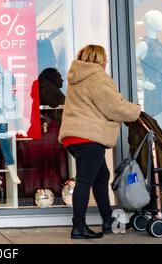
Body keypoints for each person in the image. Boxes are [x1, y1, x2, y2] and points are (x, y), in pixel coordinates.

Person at [59, 45, 141, 239]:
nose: (107, 62)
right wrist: (135, 110)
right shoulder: (97, 76)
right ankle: (78, 227)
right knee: (85, 181)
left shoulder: (76, 77)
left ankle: (107, 219)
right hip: (89, 136)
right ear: (100, 59)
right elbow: (114, 106)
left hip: (73, 136)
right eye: (105, 58)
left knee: (101, 176)